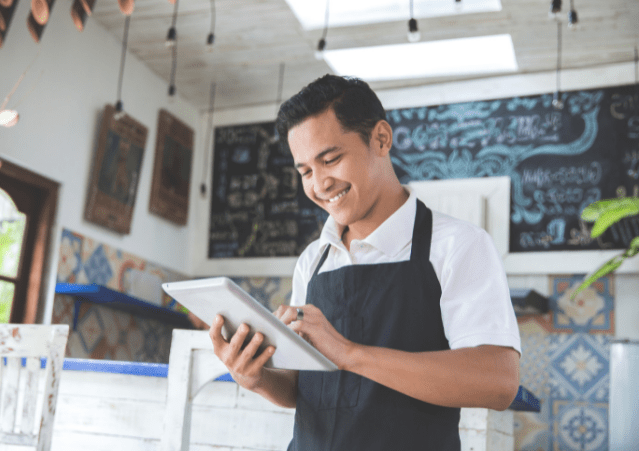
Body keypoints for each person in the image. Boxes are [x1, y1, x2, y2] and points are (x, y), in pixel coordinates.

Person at [209, 74, 521, 450]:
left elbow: (498, 382)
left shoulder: (458, 245)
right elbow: (305, 389)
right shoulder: (313, 259)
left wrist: (351, 354)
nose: (320, 184)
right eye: (306, 171)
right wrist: (254, 377)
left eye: (331, 159)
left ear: (381, 139)